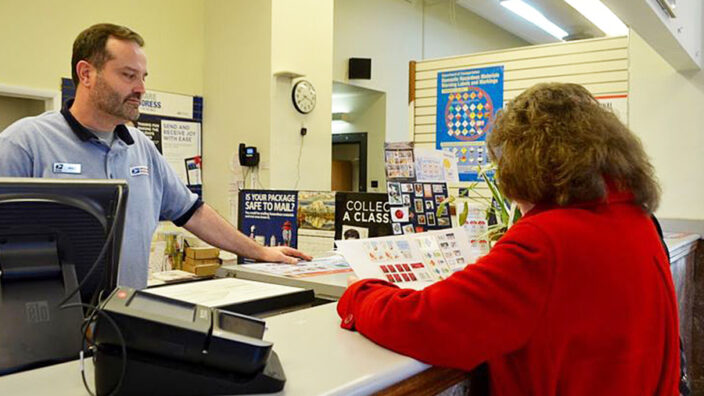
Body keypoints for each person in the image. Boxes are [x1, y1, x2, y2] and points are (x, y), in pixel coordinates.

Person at [338, 83, 680, 395]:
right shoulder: (637, 220)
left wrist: (359, 293)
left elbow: (425, 323)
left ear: (526, 161)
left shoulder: (545, 241)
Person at [0, 23, 311, 289]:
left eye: (143, 76)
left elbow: (194, 212)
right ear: (86, 74)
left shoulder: (140, 146)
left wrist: (260, 251)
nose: (141, 88)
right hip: (45, 326)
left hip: (123, 319)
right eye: (128, 75)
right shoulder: (26, 142)